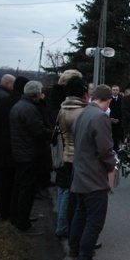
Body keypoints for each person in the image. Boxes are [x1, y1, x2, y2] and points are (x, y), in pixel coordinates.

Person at [69, 84, 117, 260]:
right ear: (108, 101)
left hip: (80, 173)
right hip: (94, 176)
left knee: (80, 214)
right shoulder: (100, 117)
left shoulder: (83, 114)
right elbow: (105, 148)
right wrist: (112, 164)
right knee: (94, 221)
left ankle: (75, 249)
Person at [10, 80, 53, 235]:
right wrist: (53, 134)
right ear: (36, 94)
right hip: (29, 154)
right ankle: (23, 224)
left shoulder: (20, 105)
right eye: (41, 92)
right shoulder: (29, 109)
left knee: (20, 187)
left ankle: (17, 217)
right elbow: (38, 131)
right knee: (26, 190)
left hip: (22, 152)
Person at [55, 77, 89, 240]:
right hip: (79, 158)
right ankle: (71, 230)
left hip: (65, 155)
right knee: (76, 199)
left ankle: (62, 225)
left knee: (65, 192)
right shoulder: (82, 112)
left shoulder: (63, 109)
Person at [0, 76, 29, 220]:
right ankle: (16, 215)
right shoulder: (22, 105)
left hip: (4, 144)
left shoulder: (2, 101)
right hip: (20, 148)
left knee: (6, 181)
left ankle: (4, 212)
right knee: (19, 183)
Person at [108, 85, 123, 152]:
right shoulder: (108, 99)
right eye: (114, 90)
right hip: (110, 121)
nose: (115, 91)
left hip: (119, 121)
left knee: (118, 136)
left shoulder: (122, 99)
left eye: (116, 90)